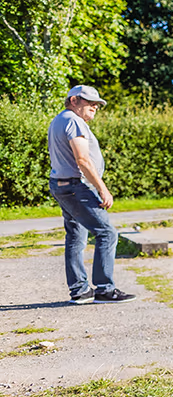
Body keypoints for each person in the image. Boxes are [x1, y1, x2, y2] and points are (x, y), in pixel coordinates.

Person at [46, 85, 136, 304]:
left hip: (62, 184)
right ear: (74, 100)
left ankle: (80, 291)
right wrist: (102, 188)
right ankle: (104, 289)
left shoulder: (59, 119)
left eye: (97, 104)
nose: (95, 106)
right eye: (90, 102)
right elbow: (83, 160)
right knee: (107, 233)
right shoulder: (73, 121)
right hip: (75, 187)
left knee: (76, 236)